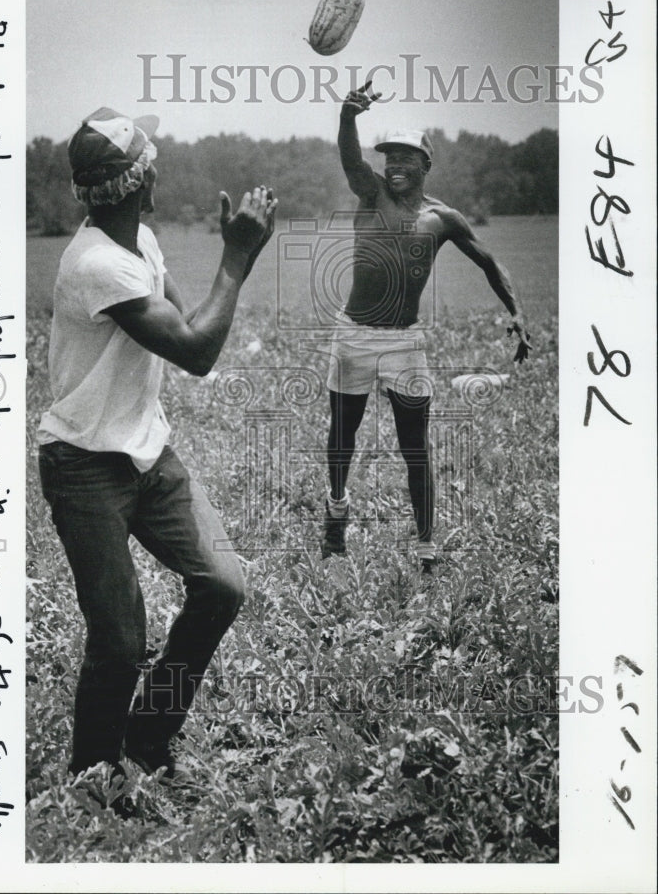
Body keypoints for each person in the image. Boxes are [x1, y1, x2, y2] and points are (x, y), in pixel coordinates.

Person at [37, 106, 277, 785]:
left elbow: (189, 323)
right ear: (138, 182)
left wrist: (237, 261)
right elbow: (197, 352)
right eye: (152, 165)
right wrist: (236, 256)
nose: (158, 173)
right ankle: (93, 777)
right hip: (83, 466)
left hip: (147, 454)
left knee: (221, 586)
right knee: (119, 640)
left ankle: (147, 737)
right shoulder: (97, 264)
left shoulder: (140, 240)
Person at [322, 82, 531, 566]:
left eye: (405, 158)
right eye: (389, 157)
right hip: (354, 335)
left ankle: (426, 547)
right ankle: (336, 512)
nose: (394, 165)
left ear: (426, 165)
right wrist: (348, 117)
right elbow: (351, 160)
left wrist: (516, 310)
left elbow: (489, 261)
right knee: (342, 437)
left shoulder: (443, 218)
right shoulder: (371, 192)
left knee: (415, 446)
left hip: (405, 342)